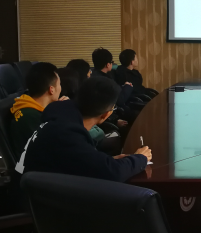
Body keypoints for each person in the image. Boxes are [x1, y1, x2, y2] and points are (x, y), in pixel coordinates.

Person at [16, 76, 151, 182]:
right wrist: (141, 158)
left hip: (42, 188)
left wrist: (108, 161)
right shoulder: (66, 133)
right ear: (106, 114)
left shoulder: (62, 117)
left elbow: (77, 159)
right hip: (38, 201)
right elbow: (114, 173)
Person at [9, 62, 67, 159]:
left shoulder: (31, 108)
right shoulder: (30, 117)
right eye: (59, 84)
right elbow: (60, 146)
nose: (60, 88)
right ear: (51, 90)